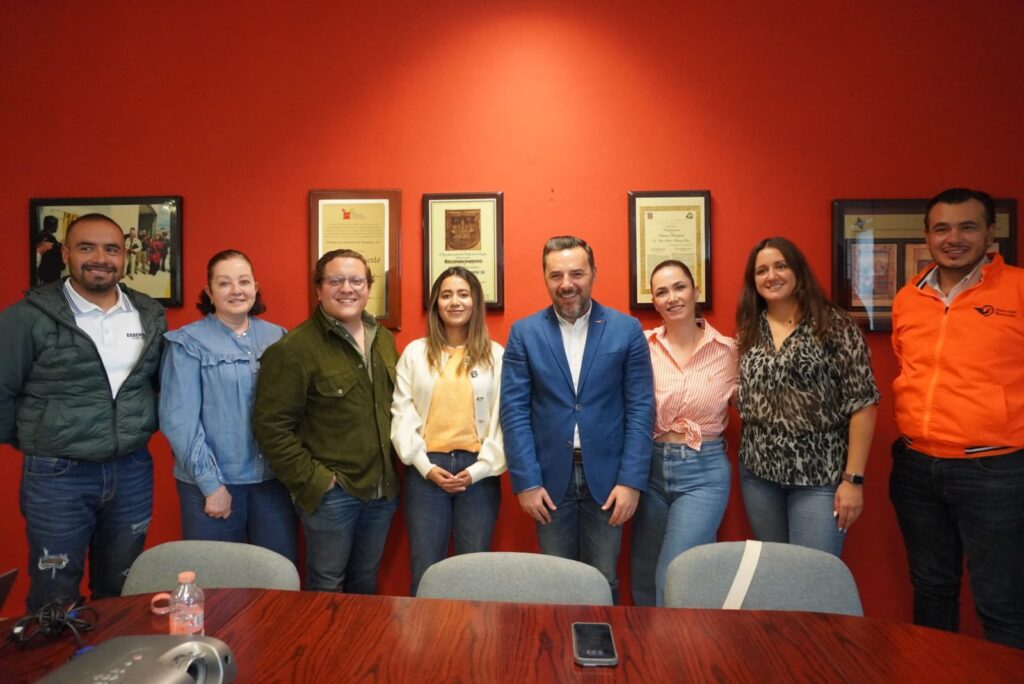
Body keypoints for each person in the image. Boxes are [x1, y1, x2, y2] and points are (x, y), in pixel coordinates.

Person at [0, 213, 165, 610]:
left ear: (124, 256)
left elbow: (156, 383)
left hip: (131, 469)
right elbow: (3, 390)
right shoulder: (27, 316)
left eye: (111, 249)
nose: (100, 259)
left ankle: (113, 652)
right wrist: (40, 440)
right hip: (58, 475)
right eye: (86, 248)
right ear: (65, 253)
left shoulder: (148, 313)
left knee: (122, 588)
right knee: (55, 594)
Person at [890, 187, 1024, 650]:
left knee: (1002, 601)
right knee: (931, 590)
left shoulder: (1018, 289)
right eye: (942, 228)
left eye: (968, 227)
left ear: (990, 233)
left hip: (995, 471)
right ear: (927, 236)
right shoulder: (908, 298)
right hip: (917, 468)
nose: (954, 238)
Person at [500, 235, 653, 601]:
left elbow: (641, 408)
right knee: (556, 583)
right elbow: (514, 411)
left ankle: (601, 638)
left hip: (609, 480)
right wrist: (526, 482)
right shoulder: (524, 333)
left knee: (603, 579)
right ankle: (556, 641)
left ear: (593, 273)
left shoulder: (626, 329)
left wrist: (631, 481)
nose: (566, 284)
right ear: (545, 277)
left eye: (576, 273)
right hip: (549, 481)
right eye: (556, 275)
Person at [253, 249, 398, 594]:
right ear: (318, 289)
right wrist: (316, 481)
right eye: (336, 281)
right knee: (326, 586)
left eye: (356, 280)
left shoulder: (383, 339)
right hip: (334, 495)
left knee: (366, 583)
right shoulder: (293, 349)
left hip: (382, 491)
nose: (347, 288)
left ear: (368, 288)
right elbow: (271, 427)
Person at [734, 236, 878, 557]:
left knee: (812, 573)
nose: (771, 276)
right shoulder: (749, 328)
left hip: (819, 476)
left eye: (781, 266)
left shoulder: (835, 325)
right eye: (761, 270)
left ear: (798, 271)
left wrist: (853, 480)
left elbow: (863, 405)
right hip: (758, 475)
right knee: (773, 569)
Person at [159, 249, 298, 565]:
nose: (236, 290)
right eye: (224, 283)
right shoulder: (188, 342)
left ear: (255, 287)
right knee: (218, 581)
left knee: (279, 573)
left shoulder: (278, 337)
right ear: (209, 292)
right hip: (213, 484)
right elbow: (179, 422)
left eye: (244, 282)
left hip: (272, 484)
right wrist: (212, 486)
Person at [391, 267, 505, 595]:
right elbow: (402, 412)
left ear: (476, 302)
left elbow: (502, 420)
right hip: (427, 471)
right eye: (446, 295)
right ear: (435, 304)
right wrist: (424, 466)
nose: (455, 302)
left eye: (463, 294)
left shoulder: (496, 355)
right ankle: (425, 630)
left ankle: (474, 631)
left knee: (474, 570)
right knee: (426, 569)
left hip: (478, 473)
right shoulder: (415, 353)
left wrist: (479, 470)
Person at [630, 260, 737, 606]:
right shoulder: (641, 346)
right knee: (644, 571)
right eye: (662, 292)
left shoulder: (728, 351)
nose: (672, 297)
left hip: (703, 471)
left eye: (679, 287)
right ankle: (646, 640)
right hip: (649, 468)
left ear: (695, 291)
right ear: (654, 302)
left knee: (675, 571)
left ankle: (675, 642)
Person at [35, 215, 65, 285]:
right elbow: (53, 253)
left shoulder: (46, 235)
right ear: (52, 226)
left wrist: (60, 244)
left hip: (48, 271)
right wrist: (61, 246)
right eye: (56, 225)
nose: (57, 227)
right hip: (49, 272)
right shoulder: (46, 237)